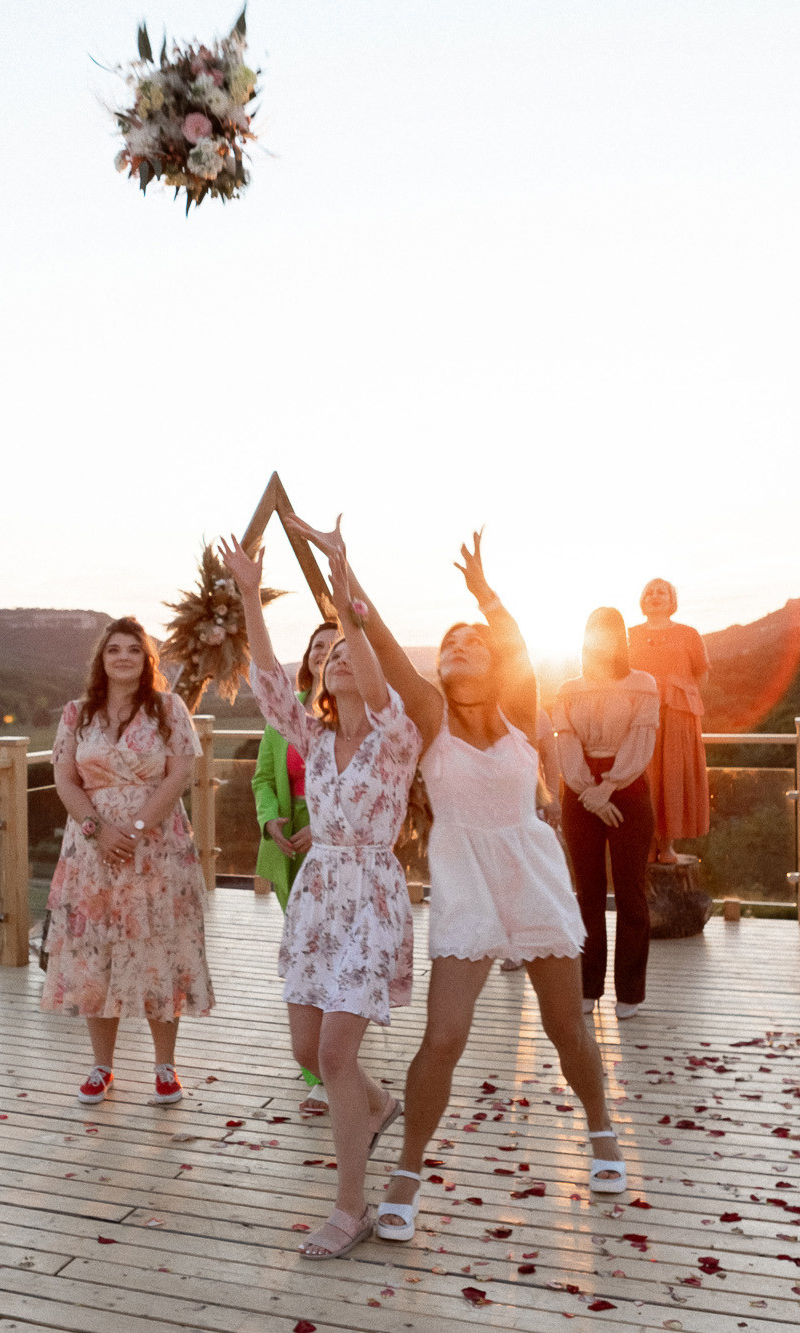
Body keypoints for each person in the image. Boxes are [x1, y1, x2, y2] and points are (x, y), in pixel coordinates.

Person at [288, 517, 628, 1246]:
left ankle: (601, 1126)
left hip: (533, 874)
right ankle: (406, 1171)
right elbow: (374, 636)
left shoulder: (519, 714)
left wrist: (488, 597)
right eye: (449, 643)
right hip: (465, 880)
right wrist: (343, 572)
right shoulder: (429, 714)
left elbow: (516, 649)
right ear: (436, 670)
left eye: (473, 641)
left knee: (568, 1029)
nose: (461, 647)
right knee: (443, 1036)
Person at [220, 536, 419, 1259]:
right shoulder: (313, 732)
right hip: (316, 896)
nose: (336, 656)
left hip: (370, 894)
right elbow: (272, 679)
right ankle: (378, 1101)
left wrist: (344, 600)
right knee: (310, 1047)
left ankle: (351, 1207)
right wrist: (249, 592)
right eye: (328, 653)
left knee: (333, 1053)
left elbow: (364, 652)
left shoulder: (398, 738)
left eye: (347, 651)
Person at [42, 616, 214, 1106]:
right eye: (113, 649)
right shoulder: (76, 713)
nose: (122, 657)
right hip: (92, 852)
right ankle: (102, 1067)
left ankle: (165, 1066)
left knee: (160, 947)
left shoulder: (168, 709)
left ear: (146, 661)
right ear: (101, 659)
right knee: (96, 951)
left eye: (133, 650)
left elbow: (179, 773)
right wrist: (98, 831)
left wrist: (135, 830)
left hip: (157, 847)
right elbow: (65, 779)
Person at [252, 621, 341, 1115]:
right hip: (290, 841)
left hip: (339, 840)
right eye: (317, 646)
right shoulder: (283, 715)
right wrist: (270, 821)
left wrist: (326, 827)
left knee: (336, 950)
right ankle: (318, 1072)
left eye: (334, 647)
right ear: (307, 657)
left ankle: (332, 1066)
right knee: (308, 953)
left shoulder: (356, 713)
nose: (324, 654)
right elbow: (264, 777)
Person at [555, 609, 661, 1018]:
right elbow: (566, 743)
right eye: (593, 634)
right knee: (588, 894)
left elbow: (641, 740)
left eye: (609, 634)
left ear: (621, 639)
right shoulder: (567, 688)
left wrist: (609, 786)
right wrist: (589, 790)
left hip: (628, 788)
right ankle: (587, 985)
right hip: (580, 791)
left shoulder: (643, 685)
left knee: (632, 892)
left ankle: (630, 993)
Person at [628, 578, 711, 861]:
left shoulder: (689, 634)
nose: (655, 596)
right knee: (643, 774)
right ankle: (645, 841)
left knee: (673, 775)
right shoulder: (630, 634)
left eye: (661, 591)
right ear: (642, 600)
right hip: (639, 713)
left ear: (672, 599)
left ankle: (667, 844)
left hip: (677, 715)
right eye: (649, 591)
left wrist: (680, 695)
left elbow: (702, 673)